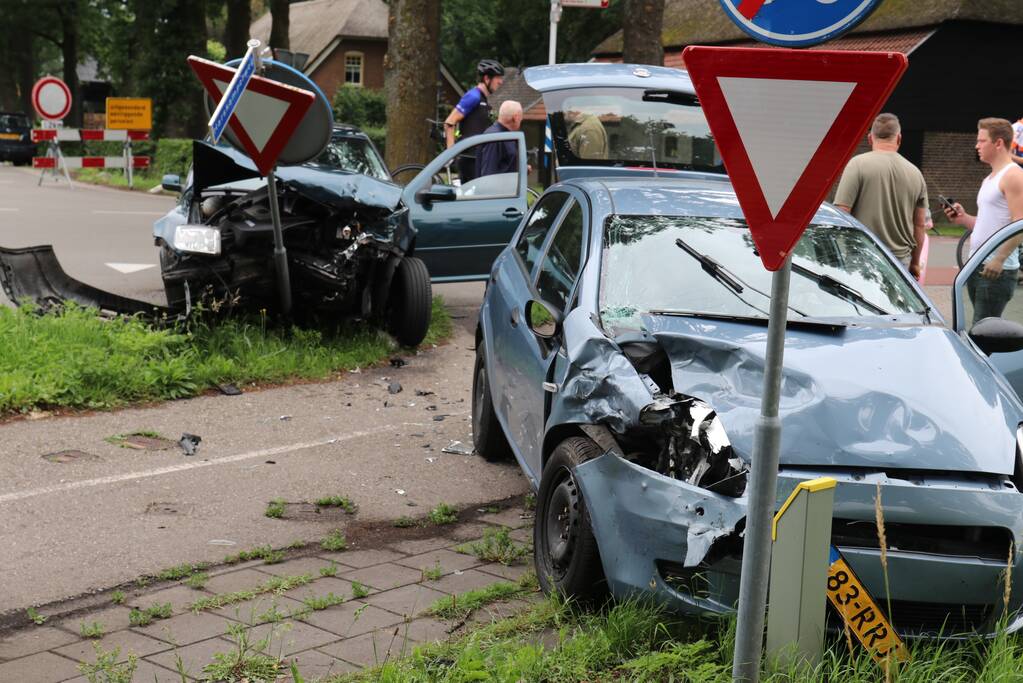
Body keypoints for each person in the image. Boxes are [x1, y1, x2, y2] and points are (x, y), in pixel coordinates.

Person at [944, 118, 1023, 324]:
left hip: (996, 270)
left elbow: (1020, 223)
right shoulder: (989, 178)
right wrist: (963, 218)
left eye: (981, 141)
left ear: (998, 143)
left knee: (983, 333)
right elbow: (988, 224)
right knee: (979, 329)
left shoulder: (1013, 176)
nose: (977, 146)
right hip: (977, 264)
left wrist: (999, 259)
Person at [834, 113, 928, 280]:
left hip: (862, 256)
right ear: (899, 138)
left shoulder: (857, 165)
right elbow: (919, 224)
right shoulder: (915, 173)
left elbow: (842, 211)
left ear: (870, 138)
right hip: (900, 261)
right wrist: (914, 262)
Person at [444, 59, 505, 184]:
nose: (501, 81)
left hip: (477, 157)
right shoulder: (473, 96)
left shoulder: (483, 99)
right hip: (469, 158)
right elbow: (449, 122)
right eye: (498, 78)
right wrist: (450, 153)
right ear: (487, 78)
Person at [476, 101, 523, 178]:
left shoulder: (505, 136)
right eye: (521, 118)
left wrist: (520, 169)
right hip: (498, 189)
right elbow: (488, 175)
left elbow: (504, 166)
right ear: (516, 117)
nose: (521, 121)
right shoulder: (495, 138)